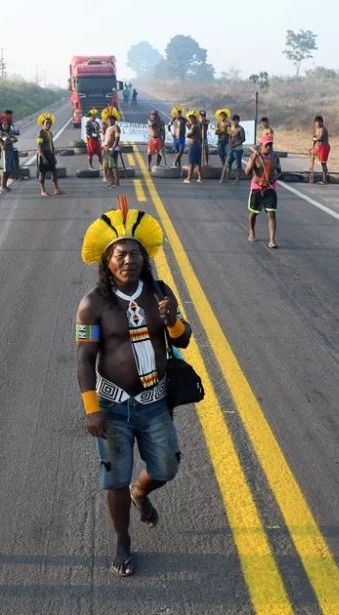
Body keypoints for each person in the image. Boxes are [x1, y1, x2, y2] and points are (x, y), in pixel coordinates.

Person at [76, 194, 192, 577]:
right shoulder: (92, 304)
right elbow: (83, 358)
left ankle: (140, 494)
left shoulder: (159, 293)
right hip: (113, 409)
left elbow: (183, 340)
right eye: (120, 255)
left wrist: (172, 319)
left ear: (145, 258)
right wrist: (92, 408)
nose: (129, 260)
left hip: (155, 403)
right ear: (107, 263)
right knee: (115, 478)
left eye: (135, 253)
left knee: (166, 469)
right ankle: (122, 542)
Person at [245, 135, 281, 248]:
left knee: (271, 214)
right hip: (257, 188)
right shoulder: (255, 156)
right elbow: (247, 172)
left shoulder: (275, 157)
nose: (269, 147)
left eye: (270, 145)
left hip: (270, 188)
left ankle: (272, 240)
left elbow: (279, 171)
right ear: (261, 146)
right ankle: (252, 230)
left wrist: (275, 178)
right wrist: (253, 158)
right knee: (253, 213)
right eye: (267, 145)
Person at [36, 112, 64, 197]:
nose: (48, 125)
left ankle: (56, 189)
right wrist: (43, 158)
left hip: (50, 155)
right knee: (42, 173)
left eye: (50, 123)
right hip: (42, 155)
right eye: (47, 123)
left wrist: (54, 156)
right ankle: (43, 191)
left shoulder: (50, 133)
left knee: (54, 172)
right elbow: (39, 147)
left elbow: (52, 144)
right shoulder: (40, 133)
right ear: (43, 124)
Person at [222, 115, 246, 183]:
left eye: (235, 121)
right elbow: (230, 136)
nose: (234, 122)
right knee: (228, 163)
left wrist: (235, 144)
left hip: (238, 149)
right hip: (232, 149)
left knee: (238, 164)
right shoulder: (232, 128)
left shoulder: (240, 129)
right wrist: (230, 142)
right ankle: (227, 177)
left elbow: (243, 139)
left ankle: (238, 179)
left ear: (238, 121)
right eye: (233, 121)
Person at [102, 107, 121, 188]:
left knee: (113, 166)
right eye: (108, 120)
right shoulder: (108, 128)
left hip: (112, 149)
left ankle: (117, 183)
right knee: (108, 166)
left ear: (114, 120)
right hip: (106, 149)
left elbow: (117, 138)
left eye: (111, 119)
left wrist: (113, 148)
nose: (109, 121)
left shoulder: (116, 127)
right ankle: (112, 181)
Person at [309, 115, 330, 185]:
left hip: (324, 147)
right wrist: (312, 147)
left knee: (323, 163)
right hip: (318, 147)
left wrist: (315, 139)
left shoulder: (323, 129)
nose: (316, 124)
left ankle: (325, 180)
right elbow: (314, 138)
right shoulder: (316, 129)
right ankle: (311, 172)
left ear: (321, 122)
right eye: (315, 123)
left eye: (317, 123)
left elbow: (320, 138)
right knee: (311, 153)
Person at [183, 112, 203, 184]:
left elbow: (188, 135)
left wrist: (188, 133)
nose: (190, 119)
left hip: (194, 146)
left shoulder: (194, 126)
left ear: (195, 119)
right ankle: (200, 178)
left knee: (191, 163)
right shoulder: (195, 125)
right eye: (190, 118)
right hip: (197, 145)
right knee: (198, 163)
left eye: (192, 118)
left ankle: (189, 178)